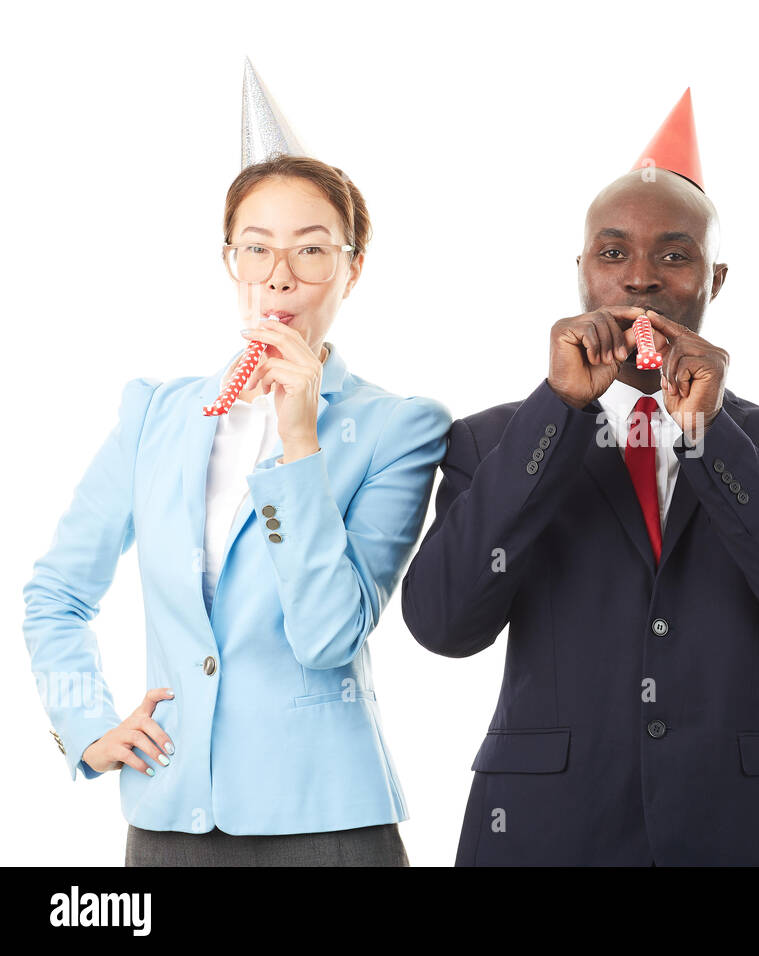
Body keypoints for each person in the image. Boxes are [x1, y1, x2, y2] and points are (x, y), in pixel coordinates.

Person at [402, 90, 759, 865]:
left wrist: (710, 436)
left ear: (714, 279)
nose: (640, 280)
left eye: (673, 254)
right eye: (613, 252)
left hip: (737, 834)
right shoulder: (493, 440)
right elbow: (442, 625)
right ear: (582, 273)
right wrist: (555, 416)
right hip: (545, 833)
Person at [22, 61, 450, 866]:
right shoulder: (154, 412)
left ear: (353, 268)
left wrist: (299, 442)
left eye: (312, 250)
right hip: (171, 814)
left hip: (328, 824)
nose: (279, 275)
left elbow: (329, 636)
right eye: (256, 248)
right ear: (231, 261)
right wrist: (88, 726)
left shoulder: (399, 427)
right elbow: (57, 594)